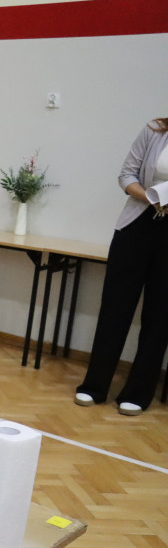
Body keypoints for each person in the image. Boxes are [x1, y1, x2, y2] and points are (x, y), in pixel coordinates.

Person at [75, 118, 168, 415]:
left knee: (160, 317)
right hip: (137, 225)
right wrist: (151, 198)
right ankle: (94, 386)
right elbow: (126, 175)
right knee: (115, 308)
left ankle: (138, 393)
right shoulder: (155, 130)